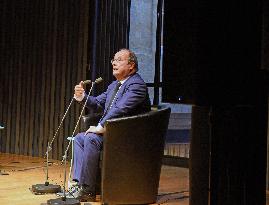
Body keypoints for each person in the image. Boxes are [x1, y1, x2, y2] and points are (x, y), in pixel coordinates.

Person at [71, 48, 151, 201]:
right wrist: (82, 97)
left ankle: (88, 190)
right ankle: (78, 184)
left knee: (91, 138)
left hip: (128, 137)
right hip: (114, 134)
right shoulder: (114, 85)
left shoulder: (137, 85)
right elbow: (98, 103)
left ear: (131, 66)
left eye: (119, 60)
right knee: (80, 138)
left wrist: (100, 127)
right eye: (113, 60)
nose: (114, 63)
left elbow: (121, 109)